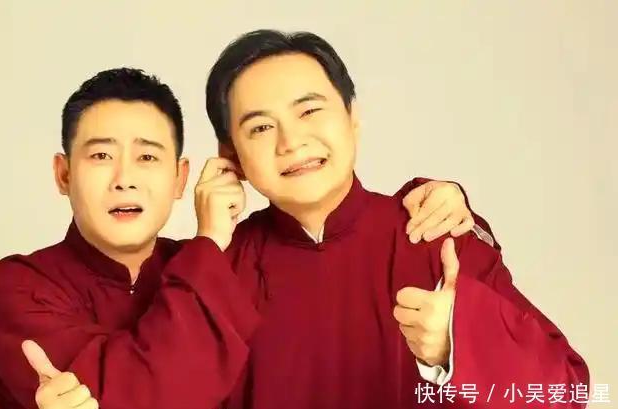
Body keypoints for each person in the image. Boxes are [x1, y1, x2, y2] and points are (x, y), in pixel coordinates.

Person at [0, 67, 476, 409]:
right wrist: (210, 240)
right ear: (63, 174)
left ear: (180, 178)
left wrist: (439, 204)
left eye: (147, 157)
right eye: (101, 156)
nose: (125, 179)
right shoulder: (19, 290)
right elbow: (145, 395)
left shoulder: (216, 266)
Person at [201, 30, 588, 409]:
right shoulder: (219, 271)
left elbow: (566, 394)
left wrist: (461, 339)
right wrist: (206, 250)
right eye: (261, 127)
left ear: (352, 118)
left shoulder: (433, 234)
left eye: (309, 111)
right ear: (231, 156)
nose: (291, 141)